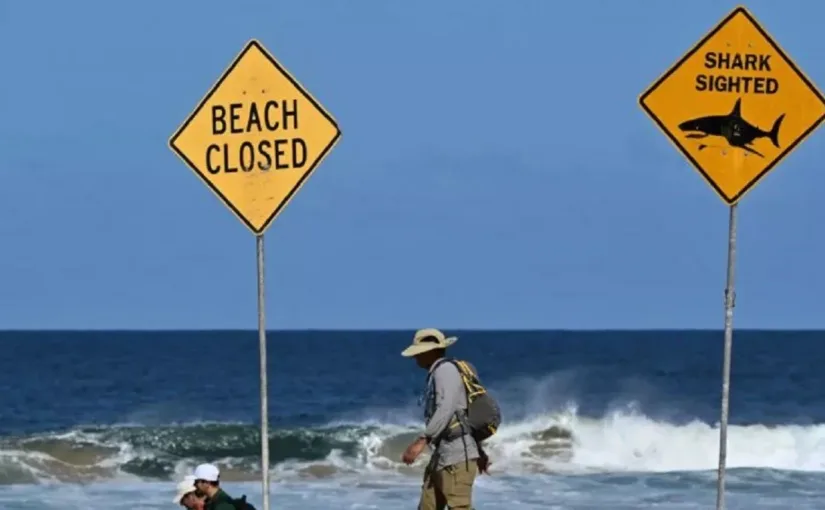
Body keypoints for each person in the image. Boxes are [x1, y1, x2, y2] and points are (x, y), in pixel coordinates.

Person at [400, 328, 490, 510]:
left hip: (456, 457)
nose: (414, 358)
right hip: (444, 456)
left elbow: (446, 408)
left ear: (430, 352)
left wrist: (422, 440)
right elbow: (462, 415)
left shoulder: (445, 371)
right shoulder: (440, 372)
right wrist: (479, 451)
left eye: (418, 353)